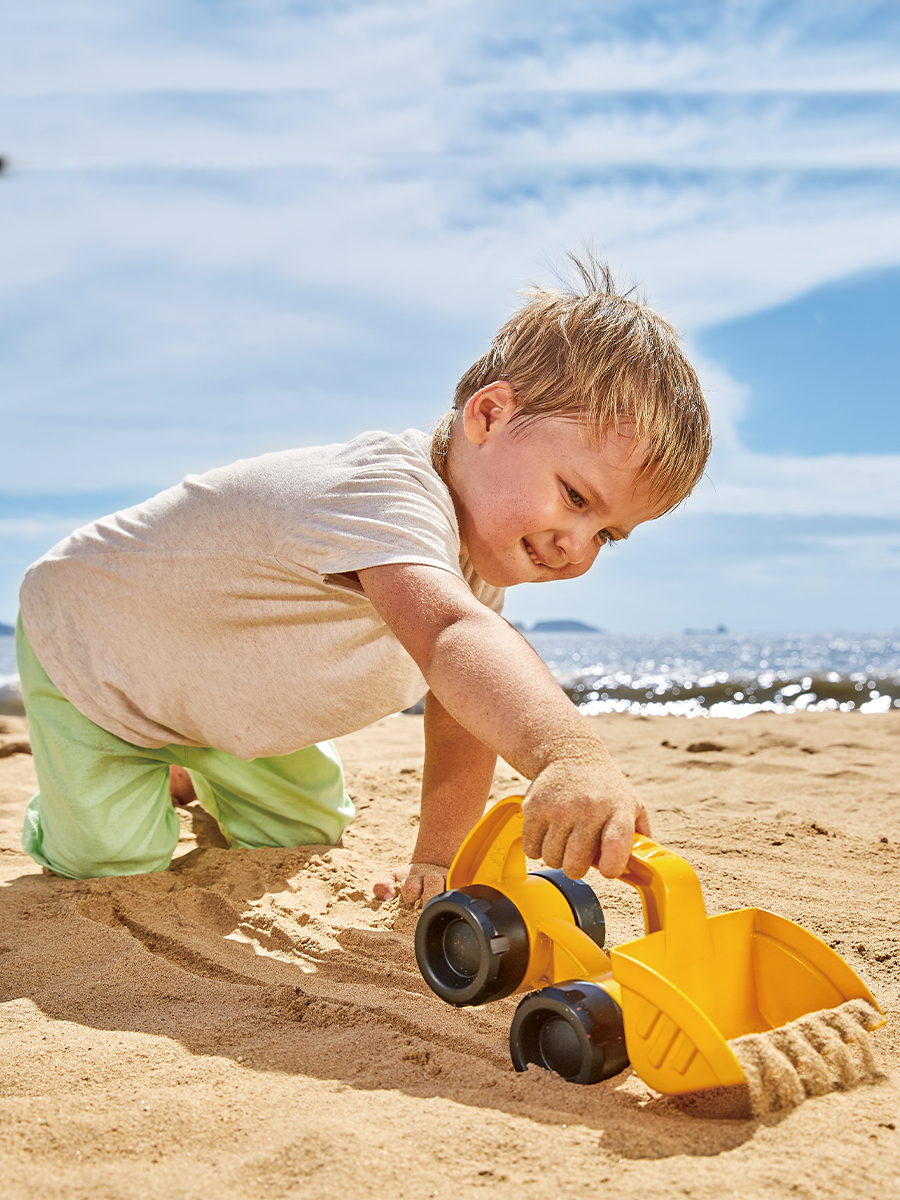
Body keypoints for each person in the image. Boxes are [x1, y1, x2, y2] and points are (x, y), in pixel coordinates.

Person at [16, 258, 710, 902]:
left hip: (218, 697)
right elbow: (452, 636)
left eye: (607, 537)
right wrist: (569, 754)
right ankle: (77, 795)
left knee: (304, 832)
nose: (576, 548)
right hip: (97, 653)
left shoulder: (473, 560)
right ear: (490, 416)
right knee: (112, 862)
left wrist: (439, 859)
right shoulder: (385, 493)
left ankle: (186, 764)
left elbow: (462, 704)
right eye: (576, 498)